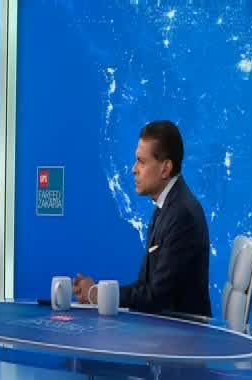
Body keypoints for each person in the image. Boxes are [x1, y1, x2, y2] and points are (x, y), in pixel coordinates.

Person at [73, 120, 211, 316]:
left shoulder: (182, 215)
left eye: (142, 161)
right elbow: (145, 285)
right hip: (163, 328)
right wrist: (98, 293)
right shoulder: (165, 208)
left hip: (181, 333)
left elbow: (156, 297)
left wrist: (96, 294)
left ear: (165, 169)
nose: (134, 169)